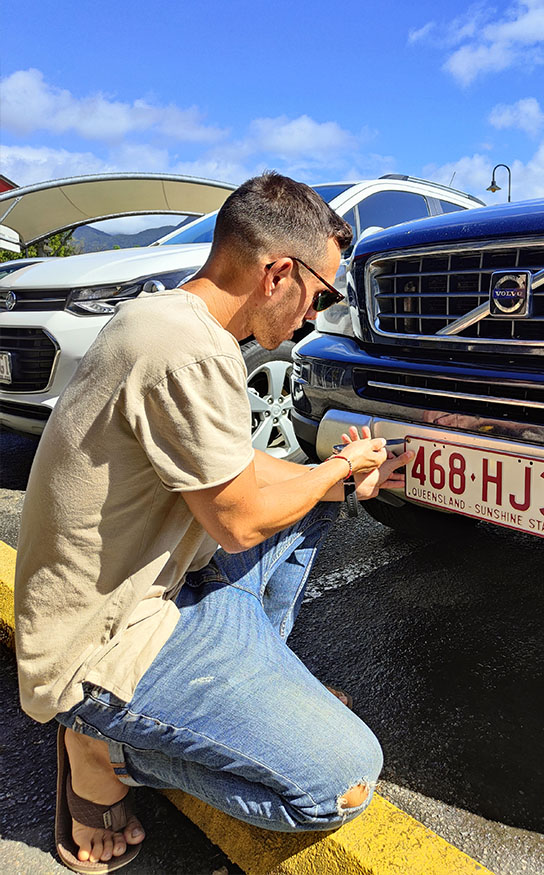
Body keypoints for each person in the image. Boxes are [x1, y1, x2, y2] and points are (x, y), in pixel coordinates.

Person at [14, 173, 412, 873]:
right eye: (319, 297)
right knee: (342, 780)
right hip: (106, 642)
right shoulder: (189, 351)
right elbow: (237, 519)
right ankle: (106, 750)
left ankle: (263, 683)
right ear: (278, 274)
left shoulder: (168, 319)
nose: (313, 318)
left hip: (158, 588)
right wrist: (330, 474)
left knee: (317, 505)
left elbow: (243, 474)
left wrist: (339, 477)